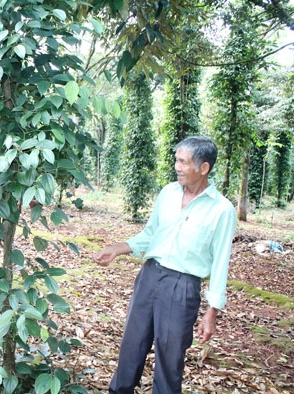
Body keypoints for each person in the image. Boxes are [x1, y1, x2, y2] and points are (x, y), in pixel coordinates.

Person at [94, 136, 237, 394]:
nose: (177, 167)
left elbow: (220, 262)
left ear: (203, 168)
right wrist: (117, 249)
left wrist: (212, 311)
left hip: (182, 287)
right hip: (149, 276)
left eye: (183, 162)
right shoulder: (168, 193)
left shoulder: (222, 210)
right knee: (131, 346)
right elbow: (151, 234)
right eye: (176, 160)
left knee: (170, 358)